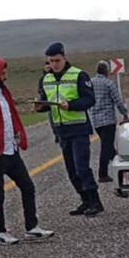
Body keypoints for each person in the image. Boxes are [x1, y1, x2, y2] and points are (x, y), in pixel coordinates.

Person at [0, 56, 54, 245]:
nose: (6, 77)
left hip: (11, 150)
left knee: (27, 187)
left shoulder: (2, 92)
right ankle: (0, 231)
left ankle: (32, 227)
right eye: (3, 73)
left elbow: (10, 116)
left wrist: (19, 136)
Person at [36, 42, 102, 217]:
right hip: (61, 130)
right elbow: (46, 100)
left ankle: (95, 200)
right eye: (51, 61)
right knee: (71, 169)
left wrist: (71, 105)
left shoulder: (79, 75)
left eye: (57, 60)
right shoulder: (46, 79)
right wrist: (40, 106)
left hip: (78, 127)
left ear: (64, 57)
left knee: (82, 166)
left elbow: (89, 100)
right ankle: (84, 200)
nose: (54, 64)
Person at [88, 60, 129, 183]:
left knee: (109, 146)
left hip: (96, 121)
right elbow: (118, 101)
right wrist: (125, 114)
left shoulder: (90, 83)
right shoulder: (109, 84)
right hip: (108, 120)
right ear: (106, 71)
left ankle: (121, 167)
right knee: (106, 147)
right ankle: (102, 173)